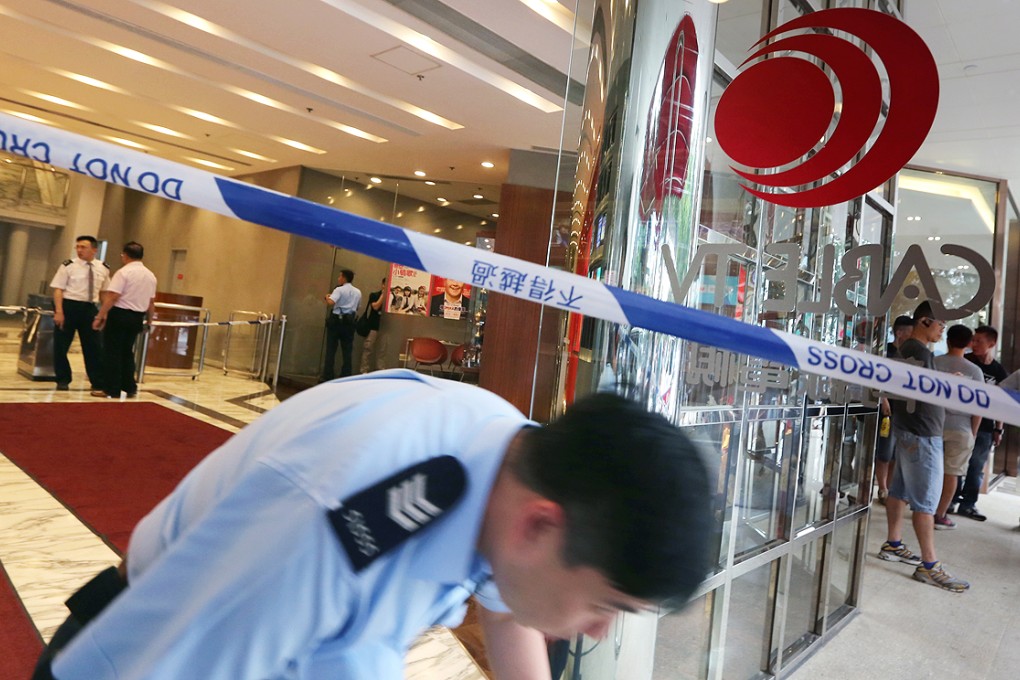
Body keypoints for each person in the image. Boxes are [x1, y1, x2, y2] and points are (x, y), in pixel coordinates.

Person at [33, 372, 712, 680]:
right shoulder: (336, 513)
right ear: (540, 529)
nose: (599, 631)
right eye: (606, 605)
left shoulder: (515, 463)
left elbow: (508, 615)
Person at [878, 301, 969, 592]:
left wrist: (942, 380)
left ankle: (893, 543)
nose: (943, 331)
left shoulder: (908, 350)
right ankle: (929, 565)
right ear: (925, 322)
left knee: (900, 491)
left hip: (909, 430)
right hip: (922, 433)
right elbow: (924, 391)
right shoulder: (919, 352)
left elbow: (918, 386)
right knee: (926, 503)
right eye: (941, 324)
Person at [932, 325, 983, 530]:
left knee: (931, 470)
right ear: (970, 343)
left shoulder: (934, 363)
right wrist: (973, 431)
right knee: (952, 473)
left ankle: (925, 509)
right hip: (962, 428)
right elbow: (979, 405)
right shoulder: (975, 371)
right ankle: (940, 514)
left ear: (948, 340)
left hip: (934, 424)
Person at [956, 325, 1010, 521]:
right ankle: (950, 499)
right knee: (956, 464)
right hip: (961, 422)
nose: (974, 344)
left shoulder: (998, 372)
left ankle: (968, 504)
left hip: (986, 428)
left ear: (992, 344)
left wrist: (999, 429)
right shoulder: (966, 363)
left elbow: (1001, 404)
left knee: (976, 466)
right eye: (973, 340)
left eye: (979, 341)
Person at [90, 242, 157, 399]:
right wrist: (149, 320)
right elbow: (151, 301)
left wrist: (100, 316)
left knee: (112, 352)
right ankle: (129, 386)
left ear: (125, 255)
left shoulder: (123, 272)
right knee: (127, 352)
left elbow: (113, 296)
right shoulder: (150, 275)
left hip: (120, 315)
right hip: (137, 317)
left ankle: (111, 389)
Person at [49, 235, 111, 391]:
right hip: (69, 306)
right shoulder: (68, 266)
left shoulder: (103, 267)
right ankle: (63, 379)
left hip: (90, 308)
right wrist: (59, 311)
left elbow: (104, 292)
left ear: (94, 250)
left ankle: (98, 381)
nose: (79, 250)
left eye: (83, 247)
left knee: (94, 347)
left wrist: (104, 313)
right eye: (78, 247)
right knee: (61, 346)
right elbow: (58, 289)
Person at [874, 315, 914, 504]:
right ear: (899, 333)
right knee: (884, 451)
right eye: (910, 333)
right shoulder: (885, 352)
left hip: (905, 411)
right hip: (887, 411)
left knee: (897, 454)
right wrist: (884, 399)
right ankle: (882, 488)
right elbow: (876, 378)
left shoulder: (912, 354)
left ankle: (891, 489)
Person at [321, 269, 362, 381]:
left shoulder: (338, 290)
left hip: (336, 322)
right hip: (349, 323)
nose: (338, 279)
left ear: (344, 278)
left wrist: (327, 297)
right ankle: (346, 375)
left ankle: (328, 375)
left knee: (331, 349)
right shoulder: (358, 292)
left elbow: (331, 303)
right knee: (347, 351)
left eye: (340, 276)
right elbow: (358, 307)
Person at [359, 277, 387, 374]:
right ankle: (364, 371)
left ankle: (380, 371)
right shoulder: (374, 295)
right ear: (383, 284)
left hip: (385, 328)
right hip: (373, 327)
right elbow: (375, 307)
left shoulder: (392, 297)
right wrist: (383, 295)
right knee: (368, 349)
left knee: (382, 351)